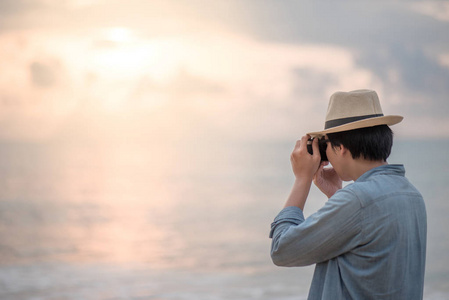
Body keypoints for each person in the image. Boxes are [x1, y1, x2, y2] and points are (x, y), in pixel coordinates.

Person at [269, 90, 426, 300]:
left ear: (340, 147)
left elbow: (282, 250)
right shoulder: (412, 195)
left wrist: (302, 179)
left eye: (327, 146)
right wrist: (336, 194)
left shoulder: (358, 200)